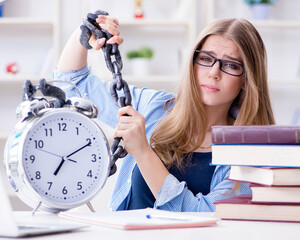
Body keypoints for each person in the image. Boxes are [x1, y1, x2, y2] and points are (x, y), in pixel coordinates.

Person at [54, 15, 275, 212]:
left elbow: (205, 215)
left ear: (247, 78)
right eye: (206, 59)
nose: (213, 73)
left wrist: (143, 152)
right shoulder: (154, 107)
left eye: (231, 65)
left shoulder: (248, 153)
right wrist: (88, 30)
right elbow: (72, 83)